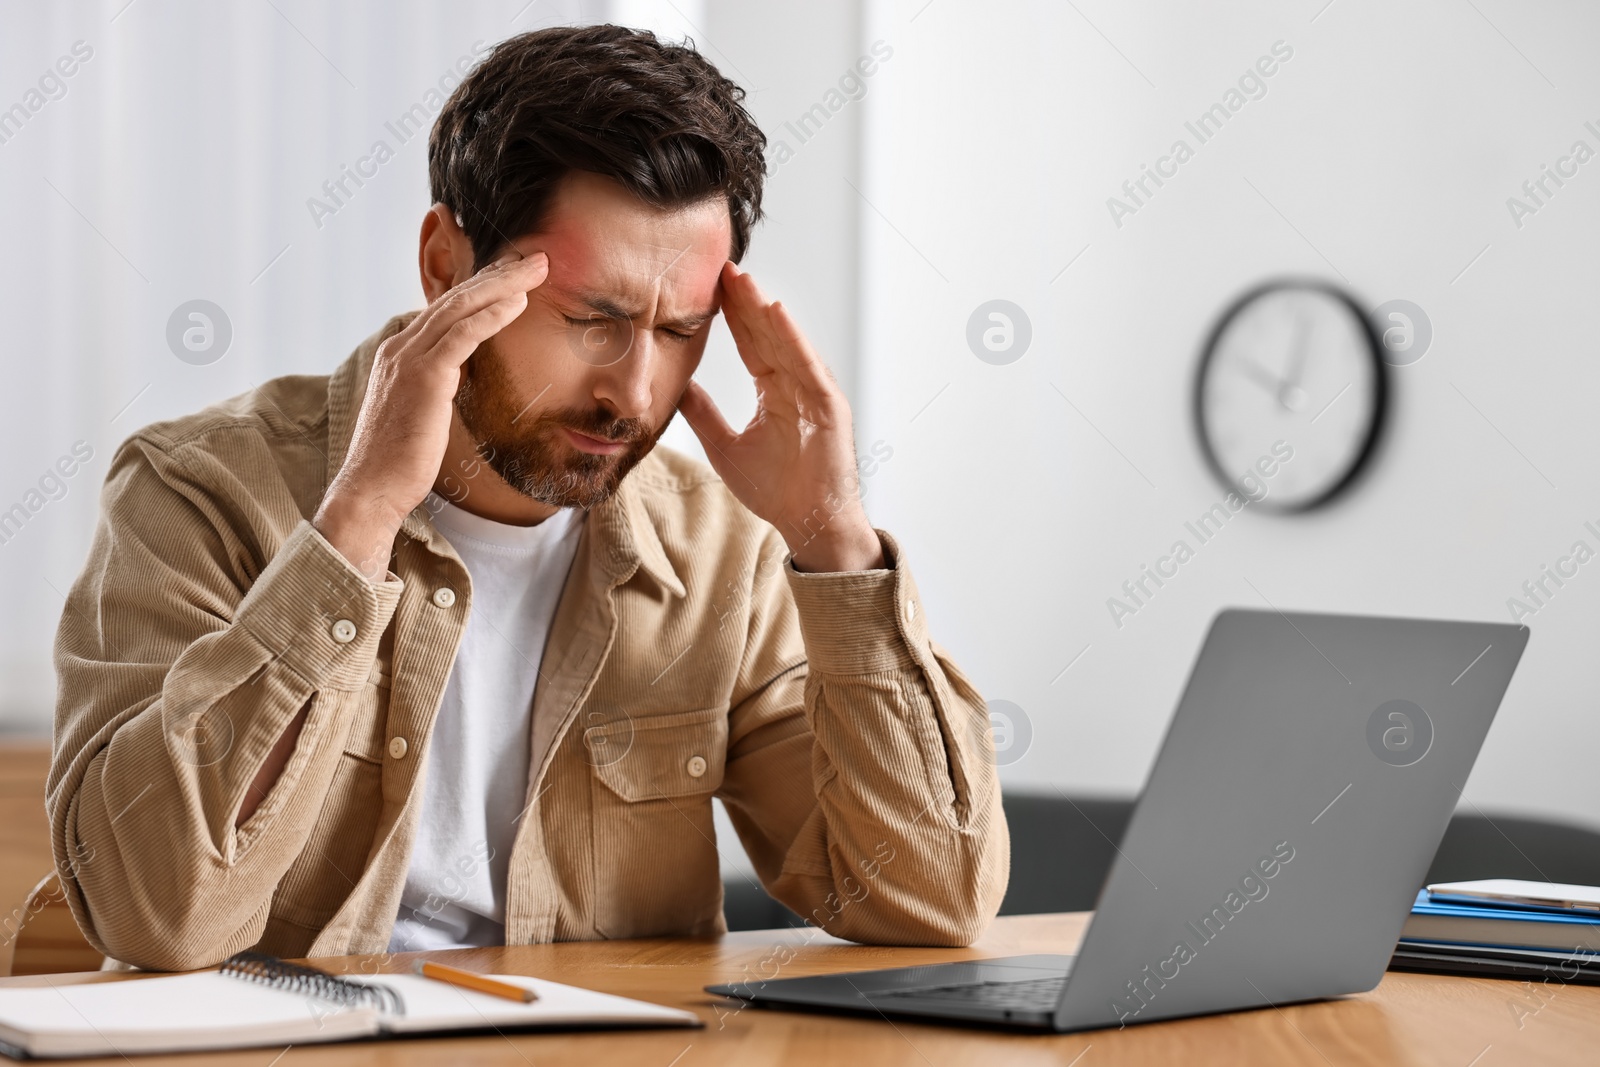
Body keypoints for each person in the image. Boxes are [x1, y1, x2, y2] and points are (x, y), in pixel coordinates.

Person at [47, 24, 1008, 971]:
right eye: (593, 319)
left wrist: (833, 539)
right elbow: (156, 915)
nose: (635, 394)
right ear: (444, 267)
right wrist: (359, 523)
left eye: (680, 330)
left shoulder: (727, 551)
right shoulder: (198, 491)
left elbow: (930, 898)